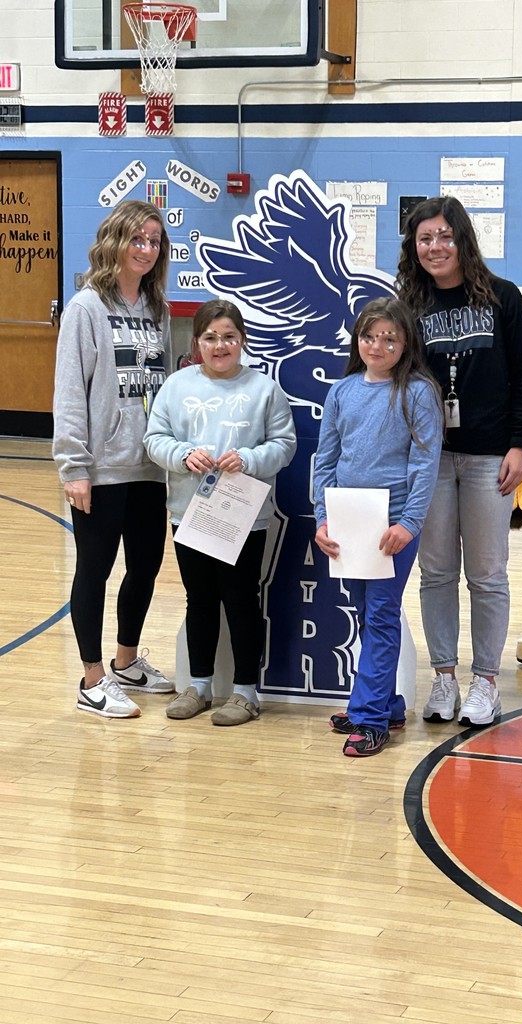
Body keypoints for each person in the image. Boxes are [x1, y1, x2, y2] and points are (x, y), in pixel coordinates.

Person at [396, 196, 522, 727]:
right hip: (430, 461)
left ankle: (486, 683)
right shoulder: (408, 303)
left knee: (487, 573)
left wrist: (520, 443)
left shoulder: (502, 298)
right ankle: (442, 679)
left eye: (444, 236)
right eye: (425, 239)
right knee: (435, 573)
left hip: (488, 458)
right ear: (414, 247)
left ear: (463, 239)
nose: (435, 247)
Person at [144, 299, 297, 726]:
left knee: (242, 600)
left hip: (243, 516)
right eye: (210, 337)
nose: (220, 345)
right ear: (196, 343)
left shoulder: (264, 389)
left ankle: (246, 693)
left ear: (242, 341)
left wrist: (248, 459)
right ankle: (199, 687)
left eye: (229, 336)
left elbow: (284, 446)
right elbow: (154, 438)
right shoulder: (176, 386)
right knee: (200, 601)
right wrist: (182, 454)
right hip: (188, 514)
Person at [53, 199, 174, 719]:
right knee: (95, 570)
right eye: (137, 239)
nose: (146, 249)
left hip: (148, 465)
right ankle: (92, 680)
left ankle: (126, 662)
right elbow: (69, 392)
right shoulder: (86, 307)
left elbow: (162, 389)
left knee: (145, 566)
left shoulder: (159, 309)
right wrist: (74, 467)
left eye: (153, 240)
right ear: (115, 241)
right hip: (101, 469)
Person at [314, 296, 443, 757]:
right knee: (368, 613)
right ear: (358, 340)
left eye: (390, 337)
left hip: (392, 526)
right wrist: (322, 518)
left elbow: (425, 464)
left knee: (384, 613)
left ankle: (369, 720)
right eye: (370, 336)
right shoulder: (342, 392)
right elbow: (325, 460)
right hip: (348, 521)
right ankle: (385, 703)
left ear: (406, 342)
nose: (378, 345)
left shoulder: (419, 392)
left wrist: (409, 524)